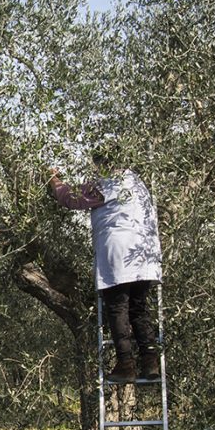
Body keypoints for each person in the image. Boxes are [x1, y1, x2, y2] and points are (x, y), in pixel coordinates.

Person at [49, 150, 163, 380]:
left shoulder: (107, 184)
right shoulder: (138, 183)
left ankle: (126, 364)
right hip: (145, 255)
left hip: (119, 254)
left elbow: (70, 198)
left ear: (102, 164)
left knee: (117, 307)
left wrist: (53, 179)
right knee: (139, 308)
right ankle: (150, 362)